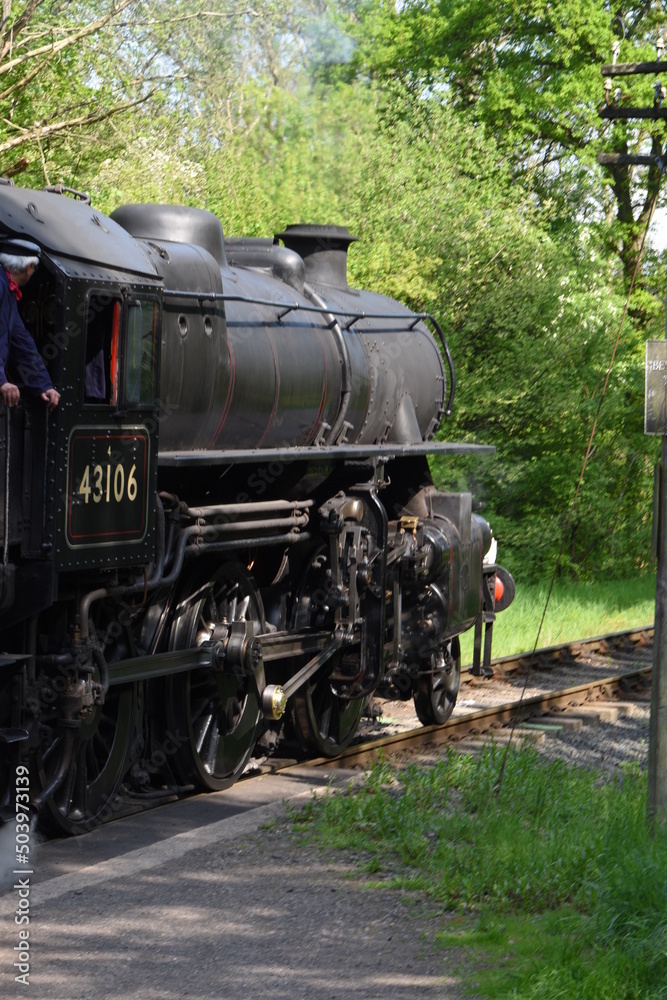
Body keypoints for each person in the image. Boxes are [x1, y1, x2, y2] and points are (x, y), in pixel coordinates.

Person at [0, 245, 60, 411]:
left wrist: (43, 385)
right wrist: (2, 381)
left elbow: (22, 343)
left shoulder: (8, 291)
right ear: (28, 268)